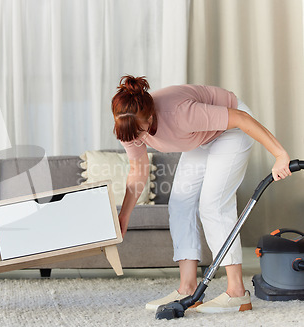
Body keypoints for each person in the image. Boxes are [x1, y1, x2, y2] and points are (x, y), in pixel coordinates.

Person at [112, 75, 291, 314]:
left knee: (213, 205)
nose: (139, 140)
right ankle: (188, 289)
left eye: (142, 133)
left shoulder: (179, 113)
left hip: (231, 130)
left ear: (151, 117)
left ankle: (237, 293)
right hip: (200, 138)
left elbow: (241, 119)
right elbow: (138, 170)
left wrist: (280, 156)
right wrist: (124, 216)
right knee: (179, 203)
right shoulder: (129, 126)